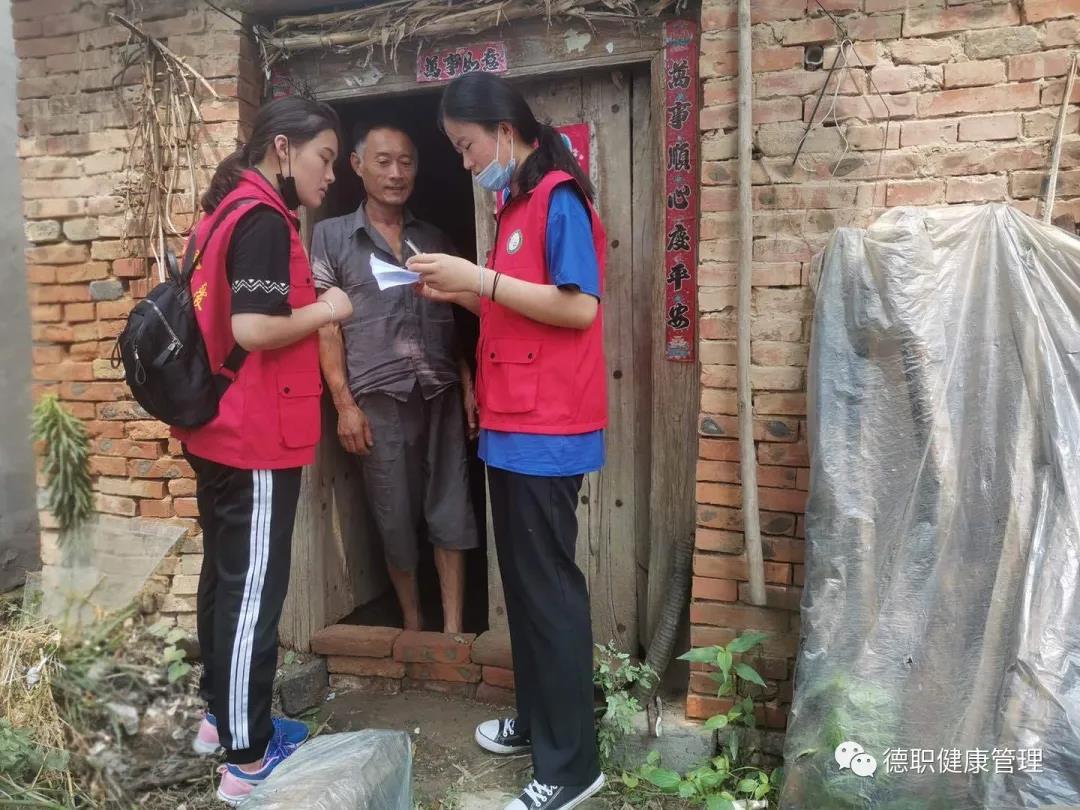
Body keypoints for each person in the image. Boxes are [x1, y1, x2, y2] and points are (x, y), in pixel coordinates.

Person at [407, 72, 608, 810]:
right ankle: (539, 720)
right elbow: (520, 309)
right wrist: (459, 289)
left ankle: (573, 767)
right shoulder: (514, 205)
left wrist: (480, 280)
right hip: (512, 424)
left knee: (549, 593)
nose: (465, 163)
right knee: (524, 591)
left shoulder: (559, 197)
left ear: (502, 130)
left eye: (466, 147)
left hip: (549, 429)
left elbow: (578, 308)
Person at [170, 96, 351, 806]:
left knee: (224, 578)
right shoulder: (264, 219)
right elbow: (252, 328)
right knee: (253, 591)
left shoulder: (220, 212)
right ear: (283, 148)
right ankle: (247, 759)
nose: (331, 174)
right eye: (324, 158)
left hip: (217, 429)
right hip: (254, 436)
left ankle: (221, 720)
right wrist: (329, 309)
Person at [312, 121, 479, 633]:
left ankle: (452, 630)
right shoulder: (331, 236)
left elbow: (455, 319)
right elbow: (326, 325)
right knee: (393, 513)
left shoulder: (434, 239)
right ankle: (411, 625)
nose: (396, 173)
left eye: (406, 162)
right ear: (357, 166)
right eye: (383, 161)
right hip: (376, 399)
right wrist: (344, 405)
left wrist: (468, 383)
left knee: (452, 506)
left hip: (441, 390)